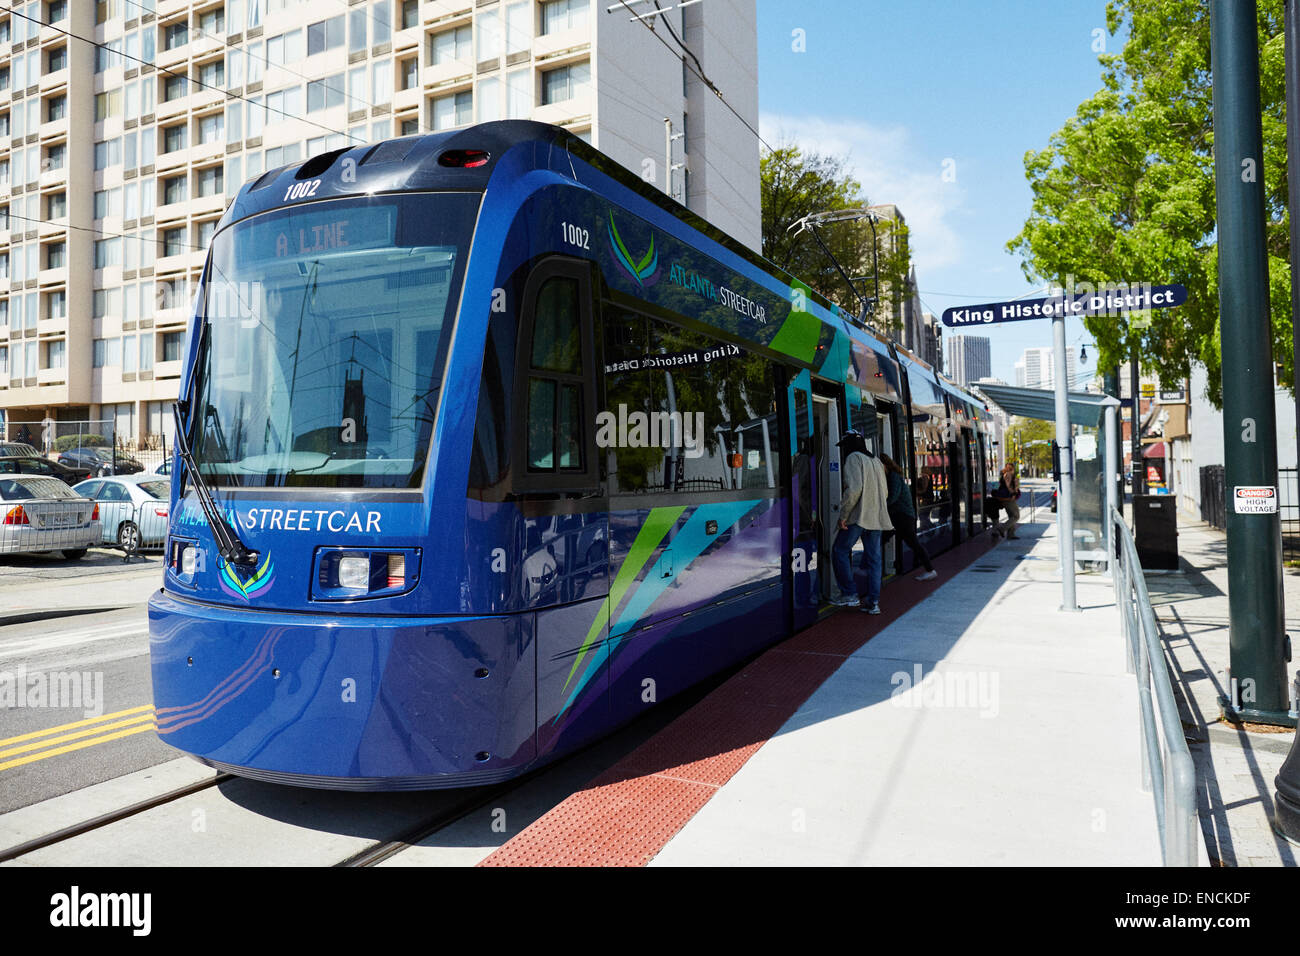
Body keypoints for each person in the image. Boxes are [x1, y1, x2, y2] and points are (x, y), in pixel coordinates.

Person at [831, 429, 891, 614]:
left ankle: (849, 594)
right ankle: (873, 603)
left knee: (839, 551)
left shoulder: (853, 459)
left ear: (849, 445)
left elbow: (854, 490)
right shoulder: (876, 461)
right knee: (874, 560)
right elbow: (885, 492)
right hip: (877, 518)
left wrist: (843, 516)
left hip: (858, 517)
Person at [880, 453, 937, 580]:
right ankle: (926, 569)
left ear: (885, 465)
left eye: (879, 466)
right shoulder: (891, 476)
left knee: (910, 543)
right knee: (907, 542)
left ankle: (930, 570)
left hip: (902, 516)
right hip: (901, 516)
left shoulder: (893, 477)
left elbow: (893, 497)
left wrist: (880, 506)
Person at [990, 463, 1022, 540]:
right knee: (1016, 516)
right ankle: (1002, 529)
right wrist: (1013, 493)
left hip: (1006, 497)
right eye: (1011, 468)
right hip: (1008, 498)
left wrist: (1016, 486)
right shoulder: (1007, 475)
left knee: (1012, 516)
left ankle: (1011, 534)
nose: (1012, 469)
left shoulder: (1006, 474)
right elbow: (1008, 486)